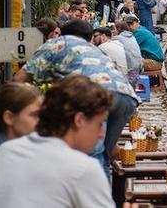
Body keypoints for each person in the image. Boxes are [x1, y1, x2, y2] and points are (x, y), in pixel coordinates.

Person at [12, 19, 139, 175]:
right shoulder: (93, 48)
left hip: (96, 95)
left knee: (93, 155)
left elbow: (19, 79)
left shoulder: (56, 44)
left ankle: (90, 197)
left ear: (63, 34)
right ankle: (103, 196)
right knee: (104, 153)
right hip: (126, 96)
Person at [0, 76, 115, 208]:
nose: (101, 134)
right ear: (79, 120)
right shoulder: (84, 169)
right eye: (99, 124)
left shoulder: (5, 151)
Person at [113, 21, 143, 87]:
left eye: (114, 29)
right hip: (138, 72)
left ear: (119, 29)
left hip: (129, 76)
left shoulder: (117, 38)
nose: (113, 31)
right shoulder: (132, 36)